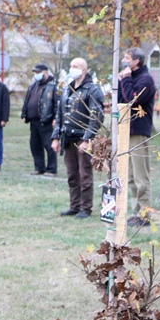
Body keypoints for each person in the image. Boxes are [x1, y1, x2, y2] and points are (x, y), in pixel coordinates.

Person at [51, 58, 104, 219]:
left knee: (84, 174)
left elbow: (96, 117)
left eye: (76, 66)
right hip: (68, 137)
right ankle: (74, 206)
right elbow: (60, 115)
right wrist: (55, 137)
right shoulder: (67, 89)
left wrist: (87, 139)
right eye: (71, 66)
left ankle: (85, 208)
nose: (72, 69)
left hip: (83, 138)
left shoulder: (92, 90)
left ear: (84, 70)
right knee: (72, 174)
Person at [117, 47, 156, 227]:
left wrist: (126, 79)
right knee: (131, 176)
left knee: (141, 176)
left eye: (127, 57)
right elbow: (121, 100)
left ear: (136, 61)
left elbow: (132, 100)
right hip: (127, 130)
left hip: (138, 131)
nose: (123, 60)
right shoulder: (130, 77)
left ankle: (145, 214)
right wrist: (122, 80)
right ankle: (136, 212)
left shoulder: (145, 80)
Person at [20, 63, 58, 176]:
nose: (36, 74)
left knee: (49, 146)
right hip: (33, 121)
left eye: (38, 72)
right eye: (35, 72)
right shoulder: (33, 86)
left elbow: (57, 103)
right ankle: (39, 167)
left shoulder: (53, 86)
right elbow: (27, 101)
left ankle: (51, 169)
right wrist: (24, 114)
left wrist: (55, 118)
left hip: (46, 121)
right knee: (35, 146)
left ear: (45, 73)